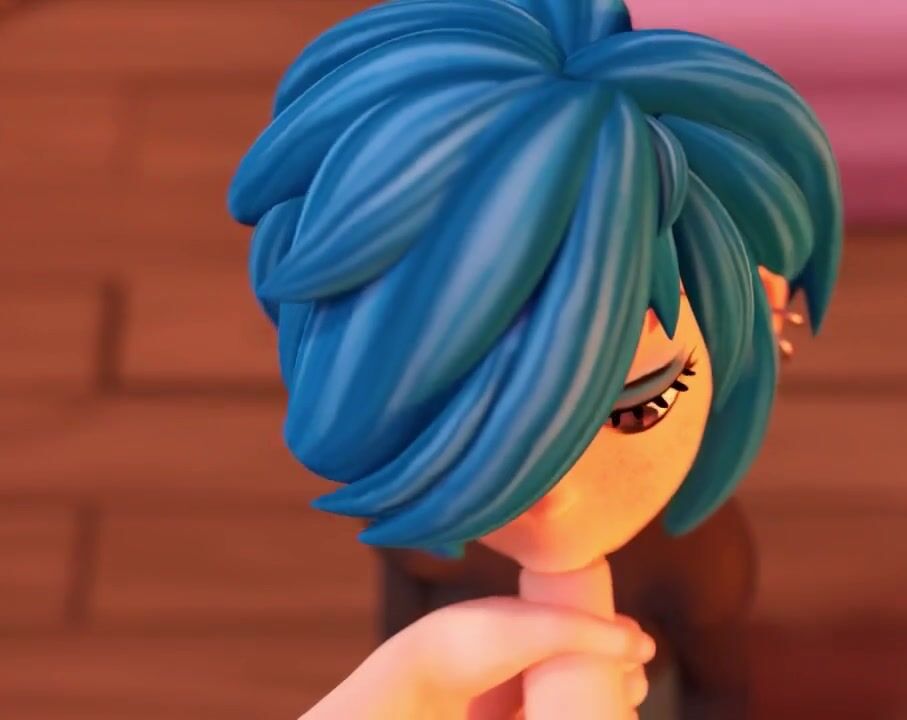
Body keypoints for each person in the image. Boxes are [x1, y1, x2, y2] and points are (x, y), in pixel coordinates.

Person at [228, 1, 841, 717]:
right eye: (452, 404)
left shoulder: (696, 561)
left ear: (765, 299)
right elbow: (401, 636)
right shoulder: (429, 539)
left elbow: (721, 690)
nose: (548, 491)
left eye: (642, 401)